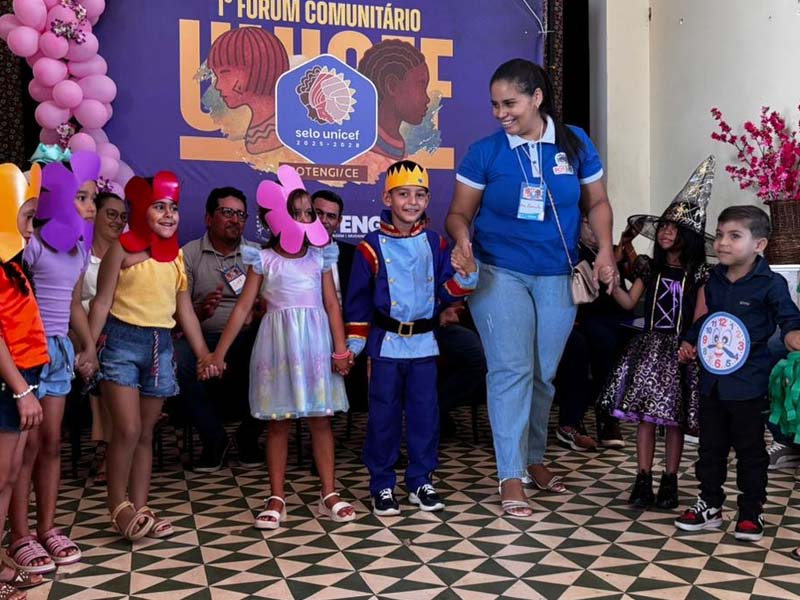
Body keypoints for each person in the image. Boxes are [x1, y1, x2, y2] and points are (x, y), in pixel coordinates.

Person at [446, 58, 615, 517]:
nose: (501, 113)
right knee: (511, 370)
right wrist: (462, 240)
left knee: (542, 372)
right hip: (500, 271)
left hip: (557, 273)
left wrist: (605, 250)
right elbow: (459, 214)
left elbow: (597, 201)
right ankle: (510, 474)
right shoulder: (486, 152)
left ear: (537, 97)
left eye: (510, 103)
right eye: (495, 105)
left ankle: (534, 457)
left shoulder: (574, 142)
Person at [201, 166, 355, 529]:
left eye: (309, 214)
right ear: (275, 218)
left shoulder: (322, 256)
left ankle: (328, 492)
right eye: (296, 212)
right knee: (279, 424)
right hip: (278, 347)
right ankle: (276, 495)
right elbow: (242, 307)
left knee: (321, 420)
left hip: (315, 345)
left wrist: (340, 349)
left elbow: (332, 304)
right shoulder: (262, 258)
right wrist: (218, 354)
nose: (304, 220)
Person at [89, 172, 217, 541]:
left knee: (144, 431)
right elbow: (101, 301)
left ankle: (140, 504)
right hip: (121, 344)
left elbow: (185, 312)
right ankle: (118, 506)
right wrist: (89, 348)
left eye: (173, 208)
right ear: (142, 209)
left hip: (160, 347)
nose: (168, 214)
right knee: (126, 430)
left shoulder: (175, 258)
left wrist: (203, 353)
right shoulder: (122, 251)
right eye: (159, 206)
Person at [346, 160, 478, 516]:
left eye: (419, 195)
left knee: (425, 415)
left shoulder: (435, 242)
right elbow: (357, 303)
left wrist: (466, 276)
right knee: (383, 416)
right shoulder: (369, 247)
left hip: (424, 344)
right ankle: (382, 484)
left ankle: (421, 480)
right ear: (387, 198)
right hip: (386, 345)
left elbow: (448, 291)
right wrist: (354, 344)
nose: (412, 202)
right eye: (403, 194)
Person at [676, 205, 800, 542]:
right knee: (710, 448)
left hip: (749, 383)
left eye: (734, 236)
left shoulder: (771, 284)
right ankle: (710, 505)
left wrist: (794, 340)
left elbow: (789, 321)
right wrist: (689, 341)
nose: (723, 243)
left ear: (759, 245)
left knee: (749, 450)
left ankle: (750, 512)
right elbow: (707, 321)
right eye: (719, 235)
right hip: (712, 381)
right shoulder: (713, 279)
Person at [599, 157, 714, 510]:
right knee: (645, 419)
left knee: (674, 421)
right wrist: (612, 282)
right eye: (663, 226)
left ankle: (670, 481)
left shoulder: (698, 274)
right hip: (649, 350)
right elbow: (628, 300)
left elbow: (701, 315)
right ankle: (643, 478)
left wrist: (689, 344)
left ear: (688, 235)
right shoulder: (649, 268)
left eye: (673, 227)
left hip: (679, 352)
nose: (665, 232)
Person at [7, 152, 100, 574]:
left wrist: (87, 346)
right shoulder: (32, 246)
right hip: (27, 352)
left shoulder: (79, 251)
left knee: (50, 444)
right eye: (81, 198)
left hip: (60, 351)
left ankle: (47, 527)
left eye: (92, 200)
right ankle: (20, 534)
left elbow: (74, 305)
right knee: (21, 450)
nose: (89, 207)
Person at [176, 187, 263, 472]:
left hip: (246, 337)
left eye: (240, 214)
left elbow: (274, 303)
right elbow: (175, 314)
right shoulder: (187, 254)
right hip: (201, 337)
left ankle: (248, 436)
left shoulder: (257, 255)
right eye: (227, 212)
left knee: (278, 359)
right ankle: (215, 440)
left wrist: (257, 311)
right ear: (208, 218)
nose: (235, 220)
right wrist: (201, 311)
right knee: (176, 361)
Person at [0, 164, 47, 598]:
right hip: (8, 383)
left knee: (11, 472)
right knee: (1, 476)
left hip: (23, 377)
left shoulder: (13, 267)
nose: (33, 229)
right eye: (27, 217)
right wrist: (21, 390)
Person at [554, 217, 638, 451]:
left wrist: (626, 247)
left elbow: (636, 280)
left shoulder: (610, 253)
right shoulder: (570, 250)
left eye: (599, 224)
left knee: (612, 341)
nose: (594, 229)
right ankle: (571, 422)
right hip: (577, 319)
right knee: (581, 346)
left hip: (611, 319)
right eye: (588, 223)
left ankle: (608, 418)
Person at [79, 191, 127, 485]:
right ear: (94, 214)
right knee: (102, 355)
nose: (118, 221)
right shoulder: (79, 254)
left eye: (123, 217)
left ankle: (107, 445)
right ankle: (110, 443)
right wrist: (88, 339)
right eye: (111, 214)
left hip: (116, 333)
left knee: (112, 357)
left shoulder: (128, 255)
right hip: (80, 331)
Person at [207, 27, 290, 155]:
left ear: (257, 67)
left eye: (225, 73)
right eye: (217, 76)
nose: (218, 85)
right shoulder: (258, 133)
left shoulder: (290, 130)